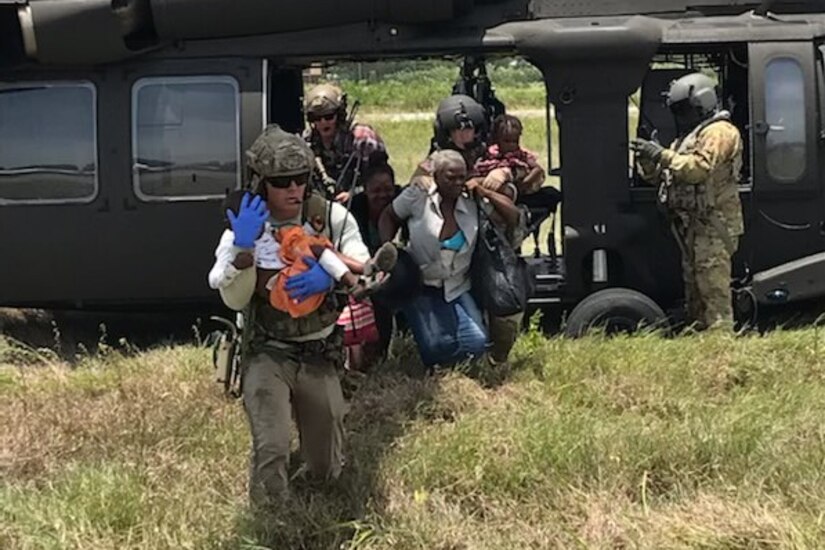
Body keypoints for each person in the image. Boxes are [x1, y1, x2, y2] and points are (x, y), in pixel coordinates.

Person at [207, 124, 372, 507]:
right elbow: (234, 300)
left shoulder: (330, 218)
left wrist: (329, 280)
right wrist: (243, 250)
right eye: (283, 182)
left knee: (326, 469)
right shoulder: (243, 228)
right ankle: (272, 516)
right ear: (262, 183)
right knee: (273, 445)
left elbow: (365, 267)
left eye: (301, 179)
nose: (294, 190)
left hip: (318, 350)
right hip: (268, 350)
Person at [378, 149, 520, 369]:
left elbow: (513, 217)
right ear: (436, 177)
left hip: (457, 286)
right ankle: (435, 373)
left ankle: (457, 371)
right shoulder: (418, 195)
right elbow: (389, 215)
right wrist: (387, 249)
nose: (457, 182)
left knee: (476, 345)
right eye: (450, 177)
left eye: (461, 177)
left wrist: (485, 192)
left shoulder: (471, 201)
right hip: (421, 284)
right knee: (436, 347)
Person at [631, 72, 744, 330]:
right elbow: (664, 175)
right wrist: (650, 158)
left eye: (683, 109)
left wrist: (663, 155)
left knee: (713, 291)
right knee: (695, 289)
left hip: (713, 225)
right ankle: (699, 334)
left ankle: (720, 343)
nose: (680, 116)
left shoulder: (719, 132)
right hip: (691, 225)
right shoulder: (689, 137)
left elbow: (697, 169)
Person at [303, 83, 385, 203]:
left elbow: (382, 178)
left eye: (329, 116)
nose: (322, 122)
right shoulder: (307, 142)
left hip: (363, 201)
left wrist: (354, 194)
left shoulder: (362, 138)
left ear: (339, 114)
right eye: (315, 118)